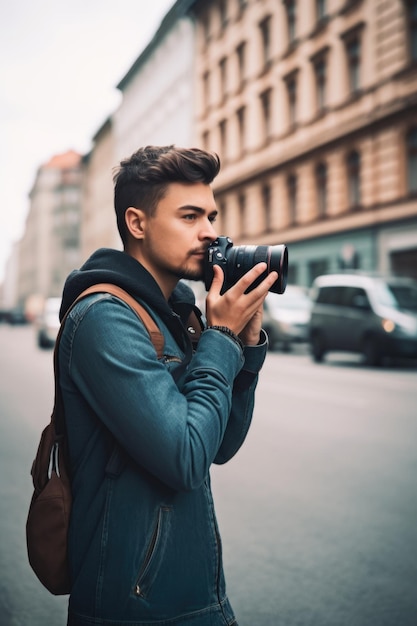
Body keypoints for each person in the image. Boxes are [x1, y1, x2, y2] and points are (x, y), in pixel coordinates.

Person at [58, 145, 278, 625]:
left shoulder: (179, 313)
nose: (210, 232)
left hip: (198, 597)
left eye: (212, 215)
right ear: (137, 224)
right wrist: (220, 338)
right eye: (190, 216)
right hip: (134, 607)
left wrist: (247, 340)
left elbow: (220, 444)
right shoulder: (104, 319)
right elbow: (185, 457)